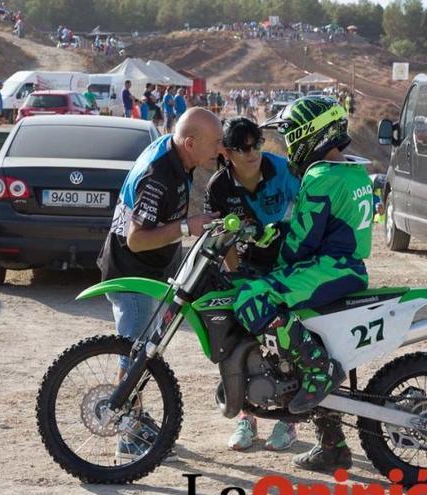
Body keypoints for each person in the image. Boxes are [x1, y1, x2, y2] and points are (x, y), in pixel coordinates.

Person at [233, 96, 373, 472]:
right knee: (309, 340)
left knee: (252, 294)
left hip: (330, 267)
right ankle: (333, 446)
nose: (289, 144)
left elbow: (301, 242)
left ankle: (317, 370)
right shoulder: (355, 172)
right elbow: (318, 225)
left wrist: (269, 264)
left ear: (311, 133)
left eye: (292, 135)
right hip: (346, 266)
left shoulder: (321, 176)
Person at [96, 108, 223, 463]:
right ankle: (127, 432)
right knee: (136, 355)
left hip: (150, 273)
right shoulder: (159, 174)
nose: (220, 148)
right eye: (215, 143)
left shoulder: (180, 155)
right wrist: (188, 226)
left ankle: (135, 416)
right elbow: (137, 239)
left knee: (144, 352)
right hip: (132, 273)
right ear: (190, 142)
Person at [204, 117, 300, 453]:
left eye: (256, 144)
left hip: (287, 266)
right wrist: (238, 277)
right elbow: (222, 239)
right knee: (241, 342)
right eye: (242, 148)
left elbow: (305, 212)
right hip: (246, 268)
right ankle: (248, 417)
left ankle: (289, 422)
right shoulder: (218, 187)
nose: (252, 153)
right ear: (227, 152)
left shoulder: (282, 170)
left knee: (285, 339)